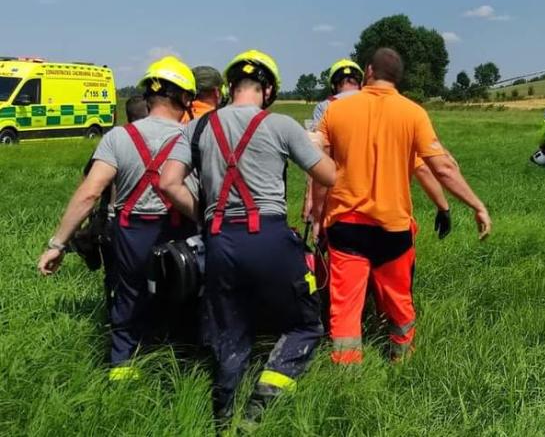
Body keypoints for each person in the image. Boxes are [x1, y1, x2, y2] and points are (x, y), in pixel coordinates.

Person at [159, 50, 336, 424]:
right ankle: (263, 401)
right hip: (271, 238)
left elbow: (168, 182)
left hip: (221, 241)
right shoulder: (282, 126)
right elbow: (329, 176)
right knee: (306, 324)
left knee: (229, 329)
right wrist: (318, 146)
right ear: (267, 89)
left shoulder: (199, 128)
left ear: (229, 87)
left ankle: (223, 416)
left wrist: (207, 216)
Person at [316, 47, 491, 365]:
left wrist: (316, 216)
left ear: (368, 71)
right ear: (398, 78)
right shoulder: (413, 113)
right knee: (399, 303)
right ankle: (402, 360)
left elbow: (317, 168)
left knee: (345, 309)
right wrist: (476, 205)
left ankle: (346, 378)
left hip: (346, 225)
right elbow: (442, 168)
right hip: (393, 228)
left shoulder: (335, 111)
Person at [37, 56, 198, 380]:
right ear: (183, 97)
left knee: (128, 297)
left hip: (130, 232)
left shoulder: (118, 138)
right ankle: (177, 370)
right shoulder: (193, 137)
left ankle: (123, 369)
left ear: (148, 96)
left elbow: (88, 193)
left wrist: (58, 244)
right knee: (183, 296)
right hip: (179, 230)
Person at [305, 58, 452, 239]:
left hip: (343, 208)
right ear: (360, 82)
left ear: (334, 85)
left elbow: (317, 159)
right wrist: (443, 206)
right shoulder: (388, 107)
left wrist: (313, 206)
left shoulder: (326, 107)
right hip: (389, 214)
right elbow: (420, 167)